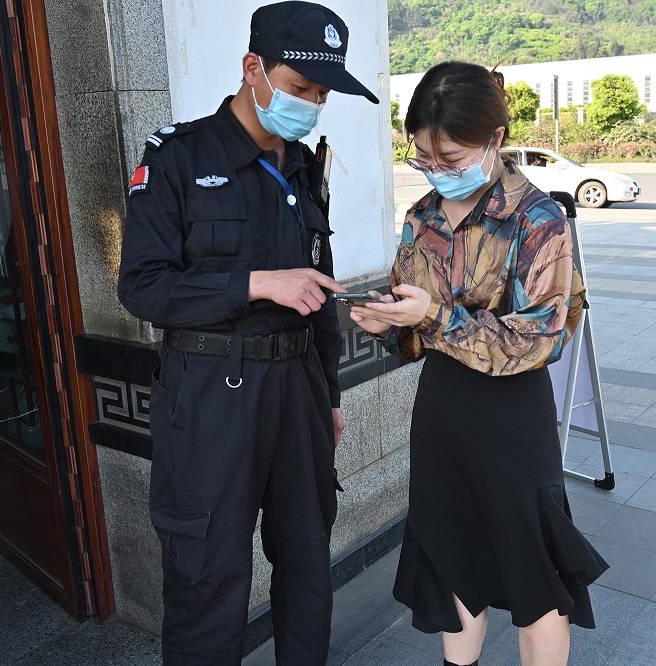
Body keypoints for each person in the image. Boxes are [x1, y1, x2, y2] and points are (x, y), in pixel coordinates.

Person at [117, 3, 379, 664]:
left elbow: (317, 289)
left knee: (307, 560)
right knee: (207, 574)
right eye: (298, 87)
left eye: (320, 95)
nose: (309, 105)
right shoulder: (178, 158)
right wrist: (256, 284)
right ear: (252, 68)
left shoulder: (304, 168)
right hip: (211, 392)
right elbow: (142, 287)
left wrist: (330, 395)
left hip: (299, 389)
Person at [350, 61, 608, 666]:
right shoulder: (422, 217)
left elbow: (539, 338)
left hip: (512, 416)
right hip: (442, 410)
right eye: (424, 158)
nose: (438, 171)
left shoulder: (538, 219)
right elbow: (415, 328)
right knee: (454, 559)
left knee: (534, 576)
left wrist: (433, 318)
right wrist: (391, 322)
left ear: (495, 138)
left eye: (452, 157)